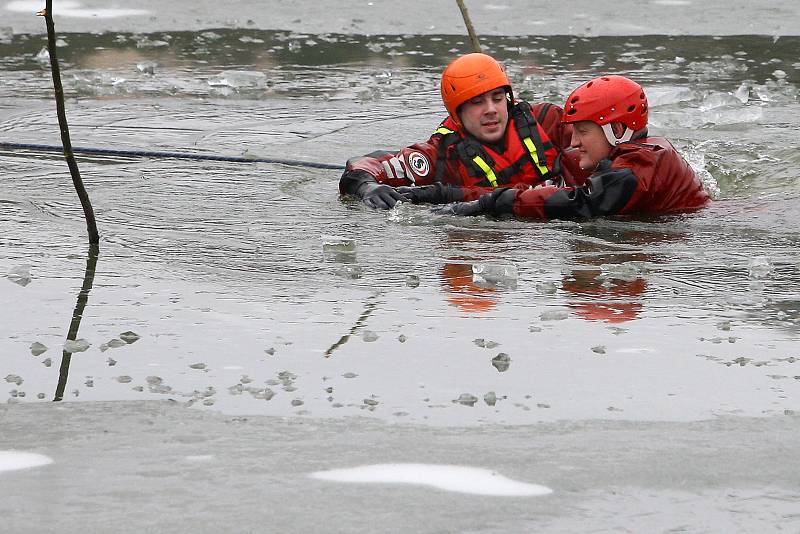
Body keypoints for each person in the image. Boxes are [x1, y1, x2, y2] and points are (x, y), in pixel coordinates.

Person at [425, 75, 710, 219]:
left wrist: (494, 204)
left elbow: (580, 202)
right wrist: (444, 195)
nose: (573, 142)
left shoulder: (641, 167)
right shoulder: (613, 162)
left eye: (583, 132)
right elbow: (539, 191)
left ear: (618, 130)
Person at [339, 53, 577, 209]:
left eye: (497, 99)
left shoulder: (547, 120)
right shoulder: (443, 153)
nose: (491, 110)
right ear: (457, 113)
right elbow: (362, 167)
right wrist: (367, 186)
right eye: (477, 103)